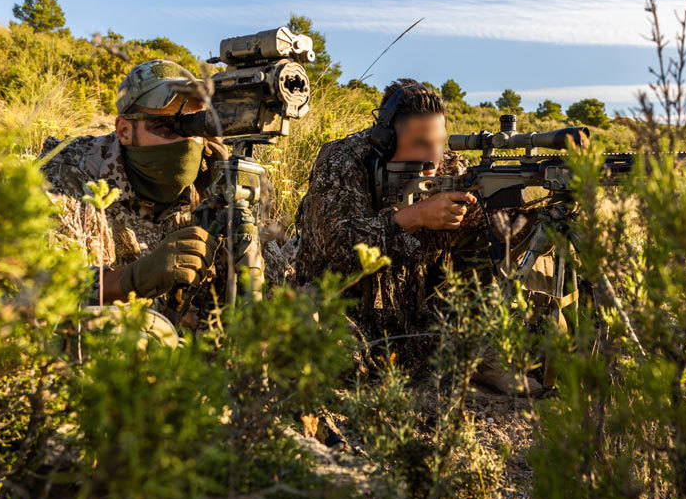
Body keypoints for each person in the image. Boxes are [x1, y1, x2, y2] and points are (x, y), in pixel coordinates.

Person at [294, 79, 545, 394]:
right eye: (422, 144)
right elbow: (339, 244)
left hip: (414, 315)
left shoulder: (446, 165)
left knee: (488, 235)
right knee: (342, 367)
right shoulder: (343, 160)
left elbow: (487, 235)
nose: (436, 156)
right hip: (342, 307)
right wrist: (416, 217)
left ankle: (481, 353)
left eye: (440, 142)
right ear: (386, 139)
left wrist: (480, 213)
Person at [39, 59, 258, 328]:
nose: (185, 139)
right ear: (124, 131)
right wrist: (129, 281)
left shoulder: (217, 180)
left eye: (195, 125)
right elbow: (38, 286)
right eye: (167, 126)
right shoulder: (68, 172)